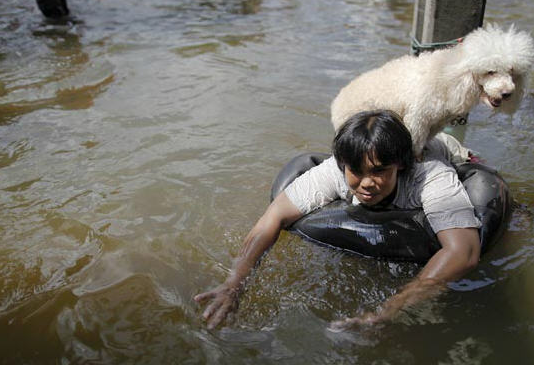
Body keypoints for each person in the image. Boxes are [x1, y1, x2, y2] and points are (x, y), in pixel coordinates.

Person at [194, 110, 481, 329]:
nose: (366, 183)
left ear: (400, 166)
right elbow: (274, 216)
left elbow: (463, 252)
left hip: (447, 152)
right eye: (357, 171)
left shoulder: (429, 176)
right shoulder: (334, 170)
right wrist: (234, 284)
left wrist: (387, 311)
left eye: (379, 171)